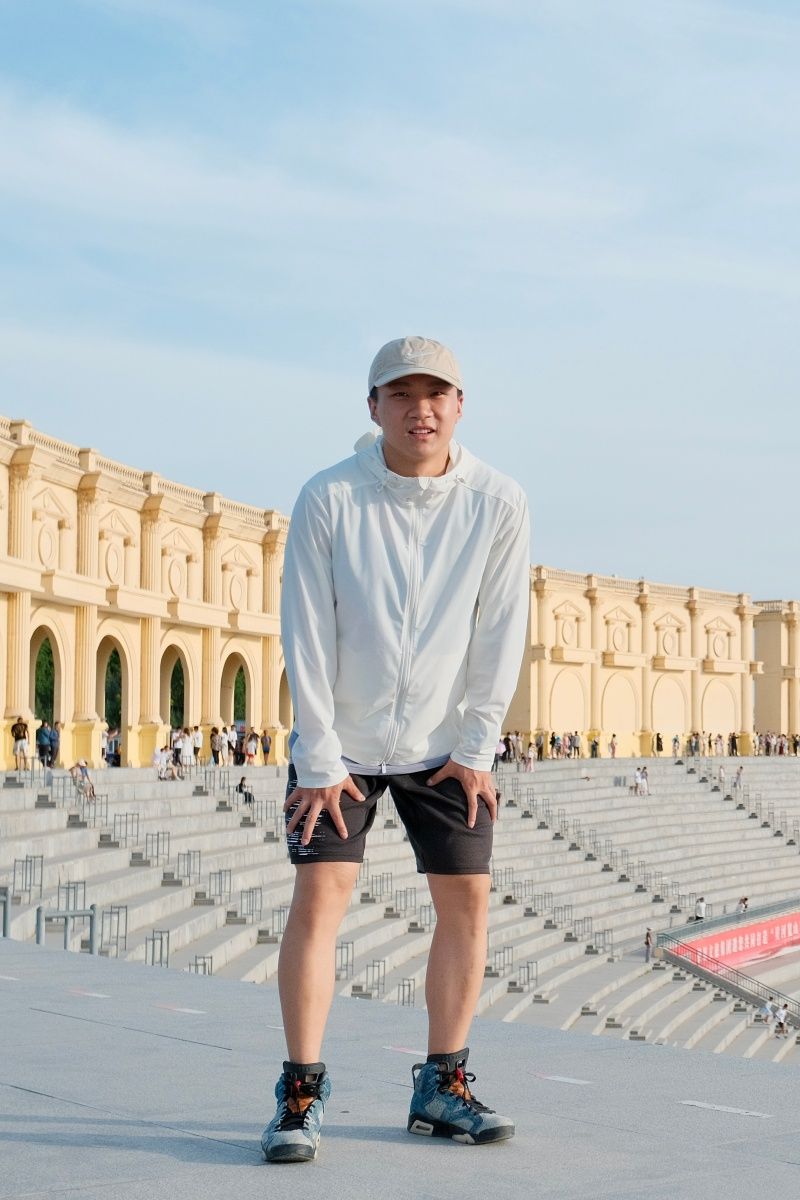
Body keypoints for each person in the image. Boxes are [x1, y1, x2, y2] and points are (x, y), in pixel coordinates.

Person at [261, 336, 529, 1164]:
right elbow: (306, 628)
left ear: (460, 406)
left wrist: (478, 746)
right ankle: (300, 1094)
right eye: (402, 394)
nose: (421, 409)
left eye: (436, 394)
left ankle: (443, 1086)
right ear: (372, 405)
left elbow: (501, 629)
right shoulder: (330, 496)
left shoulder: (498, 502)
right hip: (339, 746)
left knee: (468, 905)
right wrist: (318, 756)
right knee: (320, 902)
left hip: (446, 744)